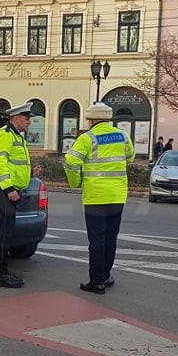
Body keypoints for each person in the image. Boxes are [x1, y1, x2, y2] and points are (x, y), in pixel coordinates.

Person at [65, 103, 134, 295]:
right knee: (111, 238)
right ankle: (105, 276)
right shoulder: (122, 136)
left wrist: (75, 182)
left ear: (91, 120)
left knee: (96, 240)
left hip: (95, 197)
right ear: (109, 119)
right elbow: (130, 157)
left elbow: (71, 162)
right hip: (118, 195)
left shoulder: (87, 138)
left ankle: (96, 282)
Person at [0, 102, 42, 288]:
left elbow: (13, 164)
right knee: (4, 232)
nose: (29, 122)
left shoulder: (16, 137)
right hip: (4, 190)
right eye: (27, 119)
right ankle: (0, 274)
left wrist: (31, 173)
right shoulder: (5, 135)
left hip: (7, 188)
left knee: (1, 231)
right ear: (16, 118)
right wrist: (9, 188)